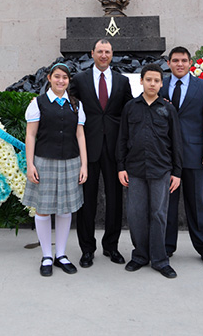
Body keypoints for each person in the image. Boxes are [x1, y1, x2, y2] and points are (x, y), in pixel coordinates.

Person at [70, 38, 133, 267]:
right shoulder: (79, 80)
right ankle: (87, 249)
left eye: (107, 52)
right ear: (92, 53)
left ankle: (111, 246)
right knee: (87, 200)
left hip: (115, 149)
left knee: (115, 200)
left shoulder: (122, 81)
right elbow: (68, 107)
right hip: (87, 149)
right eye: (100, 51)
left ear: (112, 54)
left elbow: (130, 111)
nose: (104, 55)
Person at [116, 64, 183, 278]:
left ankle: (160, 259)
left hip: (161, 170)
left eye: (156, 80)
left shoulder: (168, 109)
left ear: (161, 84)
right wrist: (121, 167)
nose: (152, 84)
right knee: (136, 215)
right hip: (134, 170)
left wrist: (177, 172)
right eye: (148, 80)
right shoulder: (130, 107)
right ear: (141, 81)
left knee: (158, 214)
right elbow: (122, 139)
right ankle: (140, 256)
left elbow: (176, 142)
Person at [22, 63, 88, 277]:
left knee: (64, 209)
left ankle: (61, 254)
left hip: (71, 161)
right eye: (57, 77)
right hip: (44, 161)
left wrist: (84, 164)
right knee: (43, 209)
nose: (61, 81)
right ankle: (47, 255)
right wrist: (30, 164)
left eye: (65, 78)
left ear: (69, 81)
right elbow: (30, 135)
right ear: (49, 78)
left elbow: (80, 135)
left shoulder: (76, 104)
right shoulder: (37, 103)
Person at [161, 46, 203, 270]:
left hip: (195, 155)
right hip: (166, 156)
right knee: (167, 205)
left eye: (184, 60)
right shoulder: (161, 85)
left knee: (197, 204)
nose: (180, 64)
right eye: (175, 60)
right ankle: (166, 248)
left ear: (190, 62)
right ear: (169, 63)